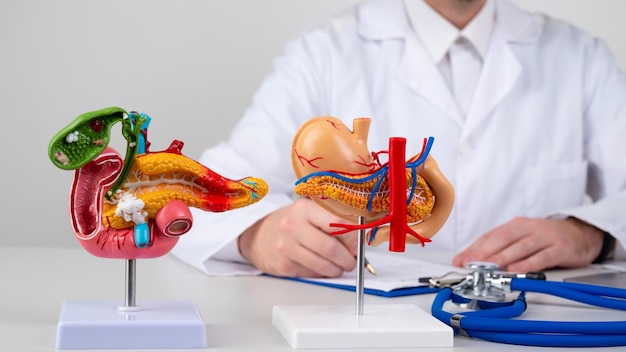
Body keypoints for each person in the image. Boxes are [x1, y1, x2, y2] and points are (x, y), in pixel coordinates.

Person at [170, 0, 626, 278]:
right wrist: (256, 234)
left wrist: (593, 234)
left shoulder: (580, 58)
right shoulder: (324, 54)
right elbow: (204, 191)